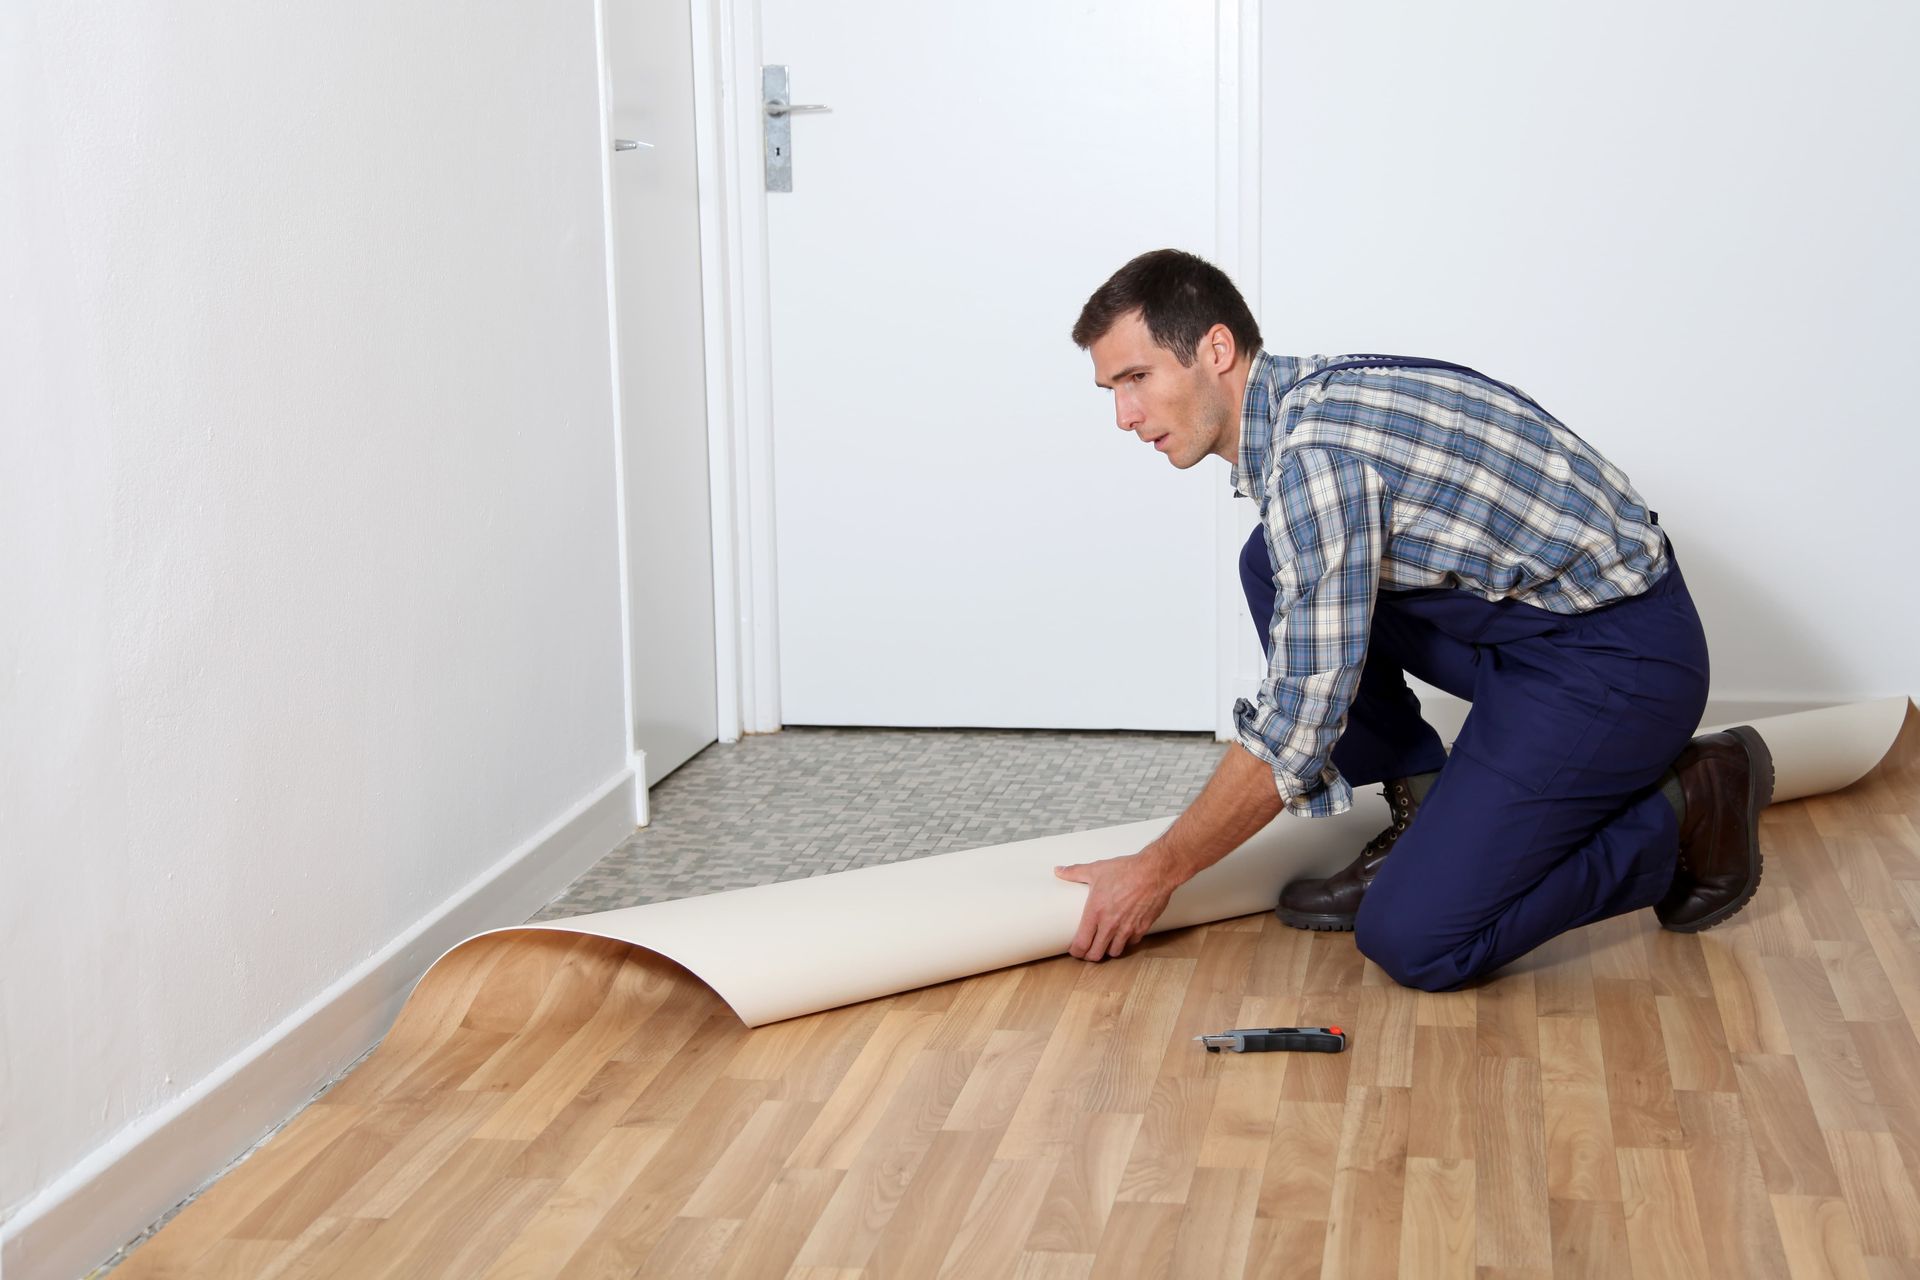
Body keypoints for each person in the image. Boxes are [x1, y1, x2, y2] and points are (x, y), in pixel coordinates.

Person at [1051, 249, 1771, 991]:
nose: (1124, 416)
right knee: (1270, 562)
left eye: (1136, 379)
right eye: (1112, 389)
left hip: (1619, 663)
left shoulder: (1316, 457)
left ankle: (1686, 807)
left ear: (1217, 349)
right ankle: (1422, 815)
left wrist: (1157, 869)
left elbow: (1299, 727)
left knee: (1415, 938)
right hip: (1536, 628)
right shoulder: (1310, 397)